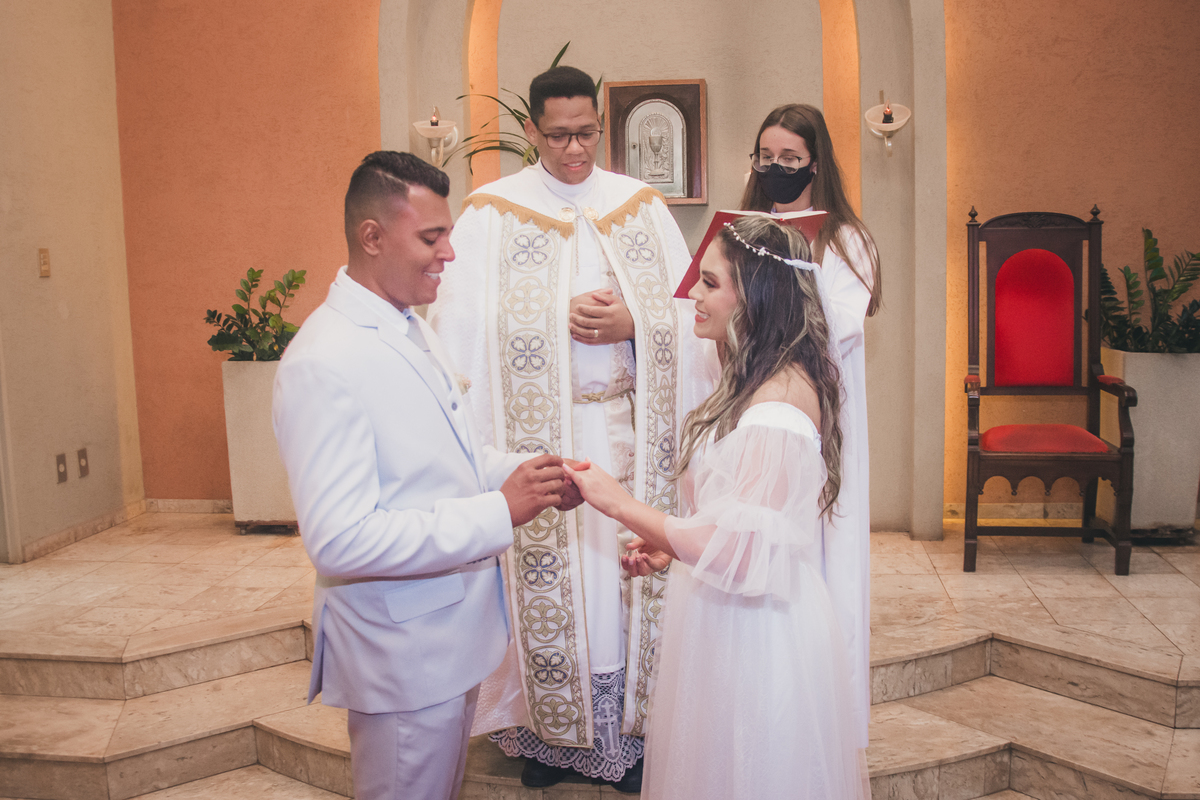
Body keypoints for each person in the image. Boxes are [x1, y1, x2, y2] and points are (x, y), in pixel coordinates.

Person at [429, 66, 712, 792]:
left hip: (627, 432)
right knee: (554, 586)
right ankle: (545, 734)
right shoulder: (491, 213)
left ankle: (628, 734)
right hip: (536, 440)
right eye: (558, 136)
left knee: (620, 585)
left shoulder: (640, 207)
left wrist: (635, 322)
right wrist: (549, 321)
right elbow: (459, 333)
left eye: (586, 133)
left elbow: (695, 313)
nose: (575, 149)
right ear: (531, 130)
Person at [272, 151, 579, 800]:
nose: (450, 253)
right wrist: (499, 511)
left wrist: (531, 475)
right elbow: (340, 540)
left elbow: (449, 457)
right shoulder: (325, 361)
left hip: (444, 640)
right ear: (372, 236)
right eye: (432, 237)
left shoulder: (410, 325)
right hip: (400, 654)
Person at [564, 216, 868, 799]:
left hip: (758, 634)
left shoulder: (777, 406)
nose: (693, 297)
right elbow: (738, 522)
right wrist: (673, 543)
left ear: (753, 295)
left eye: (709, 283)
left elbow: (742, 554)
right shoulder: (755, 378)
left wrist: (621, 505)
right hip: (729, 614)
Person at [741, 103, 881, 747]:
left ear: (815, 164)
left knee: (823, 546)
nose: (776, 167)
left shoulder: (846, 241)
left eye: (790, 158)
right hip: (754, 408)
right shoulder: (744, 230)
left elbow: (840, 324)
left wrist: (788, 277)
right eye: (766, 156)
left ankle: (822, 716)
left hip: (820, 411)